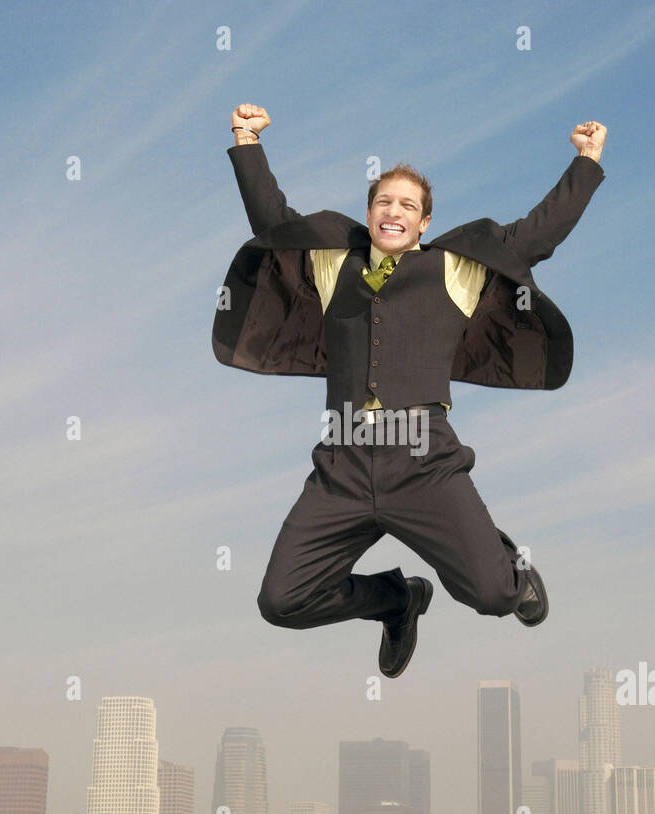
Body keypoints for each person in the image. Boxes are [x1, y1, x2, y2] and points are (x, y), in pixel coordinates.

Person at [214, 103, 607, 678]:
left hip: (424, 461)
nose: (393, 211)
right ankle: (397, 600)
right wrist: (247, 143)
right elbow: (274, 222)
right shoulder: (332, 264)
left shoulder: (453, 268)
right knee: (282, 600)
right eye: (383, 202)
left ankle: (507, 566)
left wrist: (585, 162)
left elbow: (533, 236)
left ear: (424, 222)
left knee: (494, 596)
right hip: (342, 466)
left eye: (408, 205)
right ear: (368, 213)